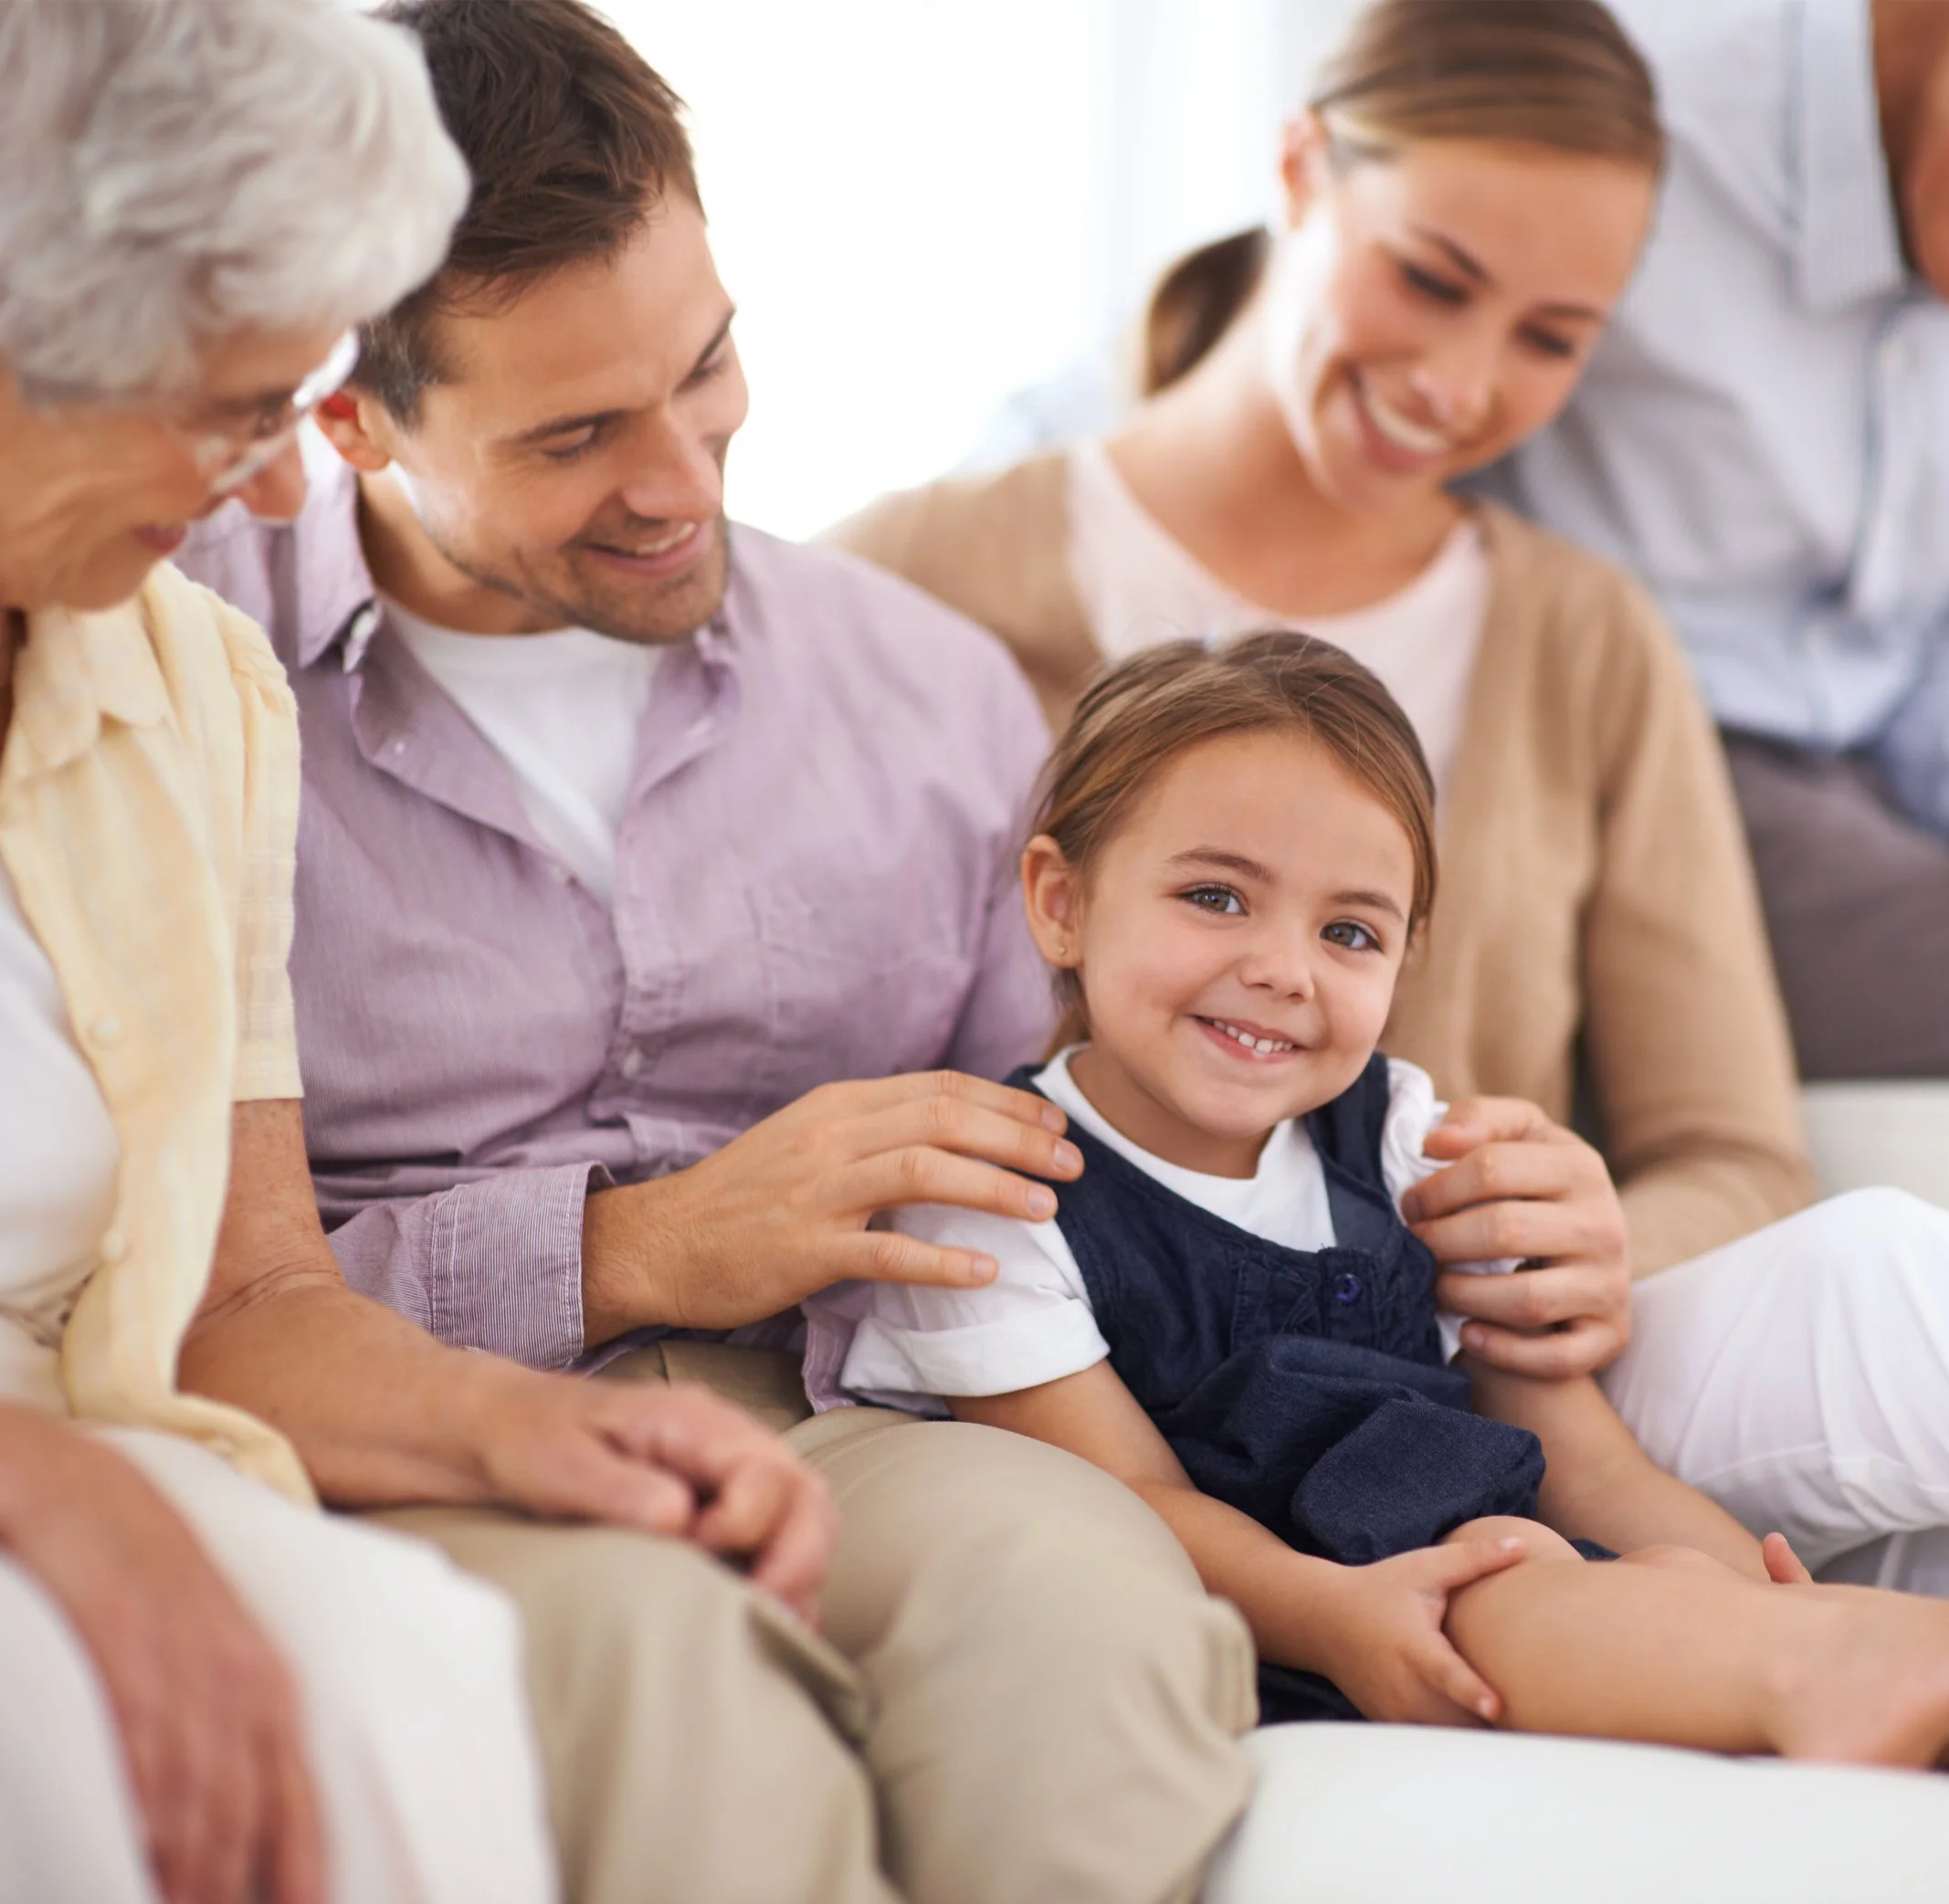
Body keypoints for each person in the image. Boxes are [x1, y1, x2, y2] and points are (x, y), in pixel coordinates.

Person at [827, 0, 1949, 1775]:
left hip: (1477, 1351)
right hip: (1108, 1369)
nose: (1460, 384)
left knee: (1904, 1382)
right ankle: (1916, 1657)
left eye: (1550, 338)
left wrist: (1585, 1245)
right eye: (1427, 277)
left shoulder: (1582, 634)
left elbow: (1733, 1154)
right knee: (1896, 1376)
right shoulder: (917, 575)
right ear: (1298, 171)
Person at [178, 5, 1255, 1902]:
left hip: (864, 1406)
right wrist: (637, 1247)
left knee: (1080, 1609)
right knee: (685, 1697)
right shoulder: (181, 677)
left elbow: (1106, 1150)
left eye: (708, 365)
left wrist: (1434, 1197)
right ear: (346, 419)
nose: (682, 480)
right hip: (404, 1431)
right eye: (579, 433)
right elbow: (181, 1282)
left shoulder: (920, 689)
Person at [820, 628, 1949, 1788]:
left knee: (1657, 1586)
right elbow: (1134, 1505)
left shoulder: (1412, 1142)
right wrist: (1344, 1611)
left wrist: (1722, 1565)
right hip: (1309, 1618)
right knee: (1517, 1597)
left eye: (1348, 931)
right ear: (1061, 903)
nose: (1283, 969)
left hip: (1512, 1549)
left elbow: (1573, 1446)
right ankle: (1852, 1677)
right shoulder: (997, 1195)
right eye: (1215, 897)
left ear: (1408, 959)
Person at [990, 0, 1949, 1091]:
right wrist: (962, 552)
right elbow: (1275, 335)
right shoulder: (1634, 100)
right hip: (1671, 775)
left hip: (1875, 809)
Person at [0, 2, 561, 1899]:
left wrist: (526, 1429)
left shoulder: (190, 685)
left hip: (85, 1447)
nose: (271, 494)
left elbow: (245, 1296)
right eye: (243, 408)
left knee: (416, 1661)